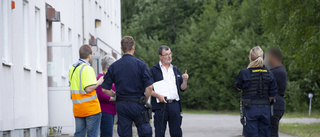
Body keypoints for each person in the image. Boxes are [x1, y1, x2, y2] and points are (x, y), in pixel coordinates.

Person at [101, 36, 154, 137]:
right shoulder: (141, 65)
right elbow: (149, 87)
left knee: (124, 134)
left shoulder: (114, 66)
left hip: (122, 105)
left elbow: (104, 88)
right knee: (145, 133)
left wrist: (115, 94)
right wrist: (146, 100)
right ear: (133, 47)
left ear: (121, 49)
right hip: (138, 104)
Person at [235, 46, 278, 137]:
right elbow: (272, 94)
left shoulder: (244, 73)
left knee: (250, 134)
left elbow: (238, 87)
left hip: (250, 108)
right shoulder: (269, 73)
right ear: (263, 57)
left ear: (250, 58)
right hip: (265, 109)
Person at [150, 45, 189, 137]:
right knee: (159, 133)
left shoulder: (175, 69)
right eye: (166, 54)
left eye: (170, 54)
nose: (169, 56)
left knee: (176, 133)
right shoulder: (154, 70)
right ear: (160, 56)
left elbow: (182, 88)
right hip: (160, 106)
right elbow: (148, 89)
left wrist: (185, 80)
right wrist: (158, 96)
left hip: (174, 105)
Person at [68, 44, 104, 137]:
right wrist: (99, 82)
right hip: (91, 109)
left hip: (78, 109)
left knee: (79, 134)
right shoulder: (87, 68)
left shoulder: (73, 68)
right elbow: (88, 88)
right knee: (92, 135)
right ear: (90, 55)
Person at [267, 48, 287, 137]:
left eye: (268, 56)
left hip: (275, 105)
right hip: (277, 104)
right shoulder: (279, 70)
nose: (266, 59)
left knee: (272, 132)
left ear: (273, 57)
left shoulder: (276, 72)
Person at [96, 55, 117, 137]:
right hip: (105, 112)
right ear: (109, 67)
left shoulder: (107, 78)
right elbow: (101, 95)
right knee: (106, 134)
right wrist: (114, 98)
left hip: (110, 111)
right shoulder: (101, 78)